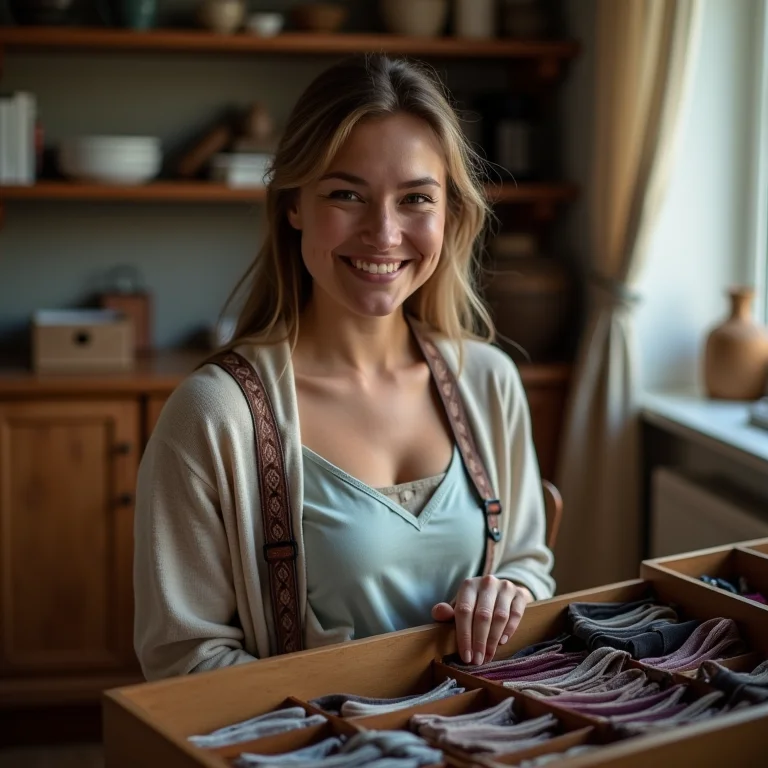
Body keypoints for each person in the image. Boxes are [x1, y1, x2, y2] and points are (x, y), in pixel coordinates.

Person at [134, 53, 555, 682]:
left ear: (449, 214)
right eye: (346, 194)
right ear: (293, 205)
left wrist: (510, 593)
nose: (383, 233)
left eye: (416, 198)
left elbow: (528, 565)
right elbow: (184, 659)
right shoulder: (215, 417)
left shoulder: (489, 382)